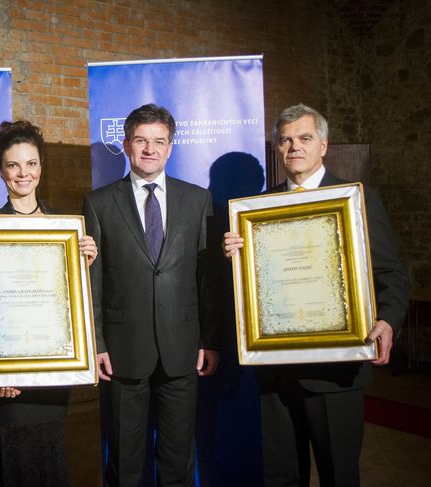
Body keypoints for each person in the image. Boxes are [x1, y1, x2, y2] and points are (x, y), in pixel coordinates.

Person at [223, 103, 410, 486]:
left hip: (337, 370)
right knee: (281, 477)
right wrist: (237, 259)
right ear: (277, 149)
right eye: (285, 140)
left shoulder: (357, 200)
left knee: (338, 475)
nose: (294, 146)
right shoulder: (256, 212)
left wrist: (388, 320)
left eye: (304, 138)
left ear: (323, 145)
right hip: (275, 370)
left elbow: (392, 274)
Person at [83, 103, 220, 486]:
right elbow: (94, 281)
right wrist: (97, 343)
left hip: (183, 349)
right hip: (123, 351)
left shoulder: (198, 200)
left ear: (170, 147)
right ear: (127, 145)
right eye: (141, 140)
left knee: (178, 458)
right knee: (124, 460)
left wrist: (210, 339)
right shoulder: (98, 203)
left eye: (159, 141)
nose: (149, 149)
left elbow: (206, 279)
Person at [0, 120, 98, 487]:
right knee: (17, 463)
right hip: (9, 376)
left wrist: (84, 264)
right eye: (13, 165)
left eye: (31, 163)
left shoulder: (64, 229)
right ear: (1, 170)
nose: (23, 173)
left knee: (51, 457)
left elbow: (68, 304)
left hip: (52, 369)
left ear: (41, 166)